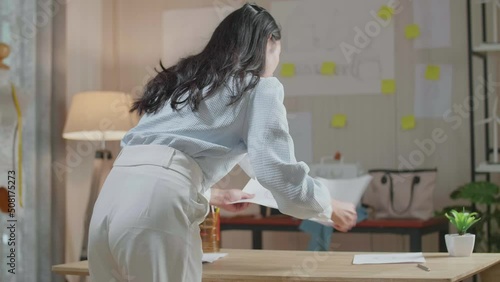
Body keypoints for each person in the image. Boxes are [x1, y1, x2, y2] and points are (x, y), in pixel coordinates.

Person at [88, 3, 357, 282]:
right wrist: (329, 206)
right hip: (156, 209)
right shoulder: (259, 87)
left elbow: (159, 160)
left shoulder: (181, 83)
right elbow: (276, 173)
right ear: (269, 43)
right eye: (278, 52)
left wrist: (212, 196)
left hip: (110, 199)